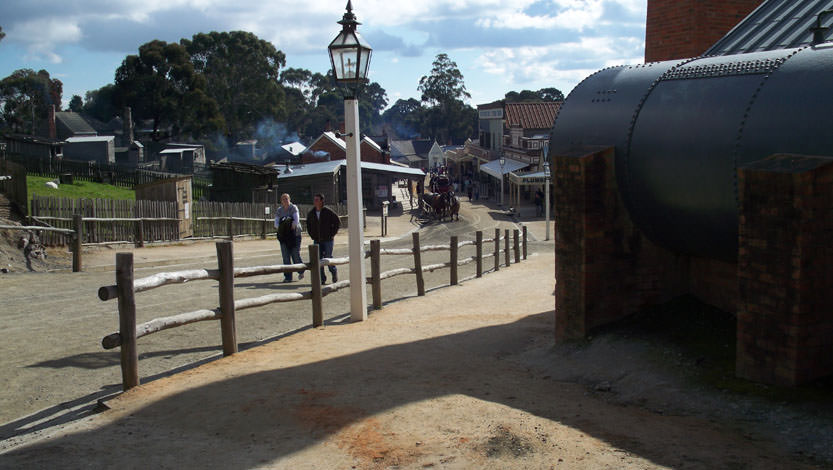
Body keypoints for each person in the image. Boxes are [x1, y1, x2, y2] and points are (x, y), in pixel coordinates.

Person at [306, 193, 341, 284]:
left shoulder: (328, 212)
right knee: (318, 259)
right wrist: (312, 235)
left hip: (328, 239)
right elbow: (308, 225)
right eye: (314, 200)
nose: (315, 202)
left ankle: (333, 272)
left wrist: (332, 234)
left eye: (317, 200)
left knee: (328, 258)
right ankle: (322, 279)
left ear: (322, 201)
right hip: (317, 239)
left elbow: (337, 222)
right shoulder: (311, 213)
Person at [275, 193, 303, 282]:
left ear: (289, 199)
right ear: (281, 201)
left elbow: (296, 219)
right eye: (283, 199)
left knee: (295, 255)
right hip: (284, 236)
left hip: (295, 235)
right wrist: (280, 228)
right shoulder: (279, 210)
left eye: (286, 199)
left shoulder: (293, 207)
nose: (285, 201)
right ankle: (288, 277)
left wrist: (292, 225)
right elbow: (276, 222)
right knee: (286, 257)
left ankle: (301, 270)